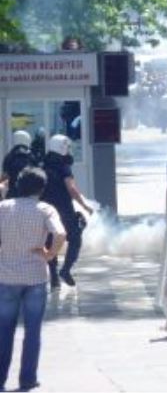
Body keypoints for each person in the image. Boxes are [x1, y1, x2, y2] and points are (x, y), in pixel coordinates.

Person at [0, 167, 66, 392]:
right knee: (33, 330)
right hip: (36, 277)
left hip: (6, 276)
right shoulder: (45, 209)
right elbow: (60, 233)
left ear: (19, 185)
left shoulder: (3, 208)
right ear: (42, 188)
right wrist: (49, 254)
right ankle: (27, 380)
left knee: (4, 329)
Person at [40, 135, 93, 288]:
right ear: (62, 147)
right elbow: (72, 189)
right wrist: (85, 206)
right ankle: (66, 270)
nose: (69, 150)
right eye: (68, 147)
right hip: (64, 210)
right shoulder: (64, 167)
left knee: (50, 242)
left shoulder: (43, 165)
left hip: (46, 211)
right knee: (75, 238)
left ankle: (54, 277)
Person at [1, 131, 37, 199]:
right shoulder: (30, 156)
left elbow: (4, 176)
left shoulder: (9, 157)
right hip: (28, 192)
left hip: (12, 192)